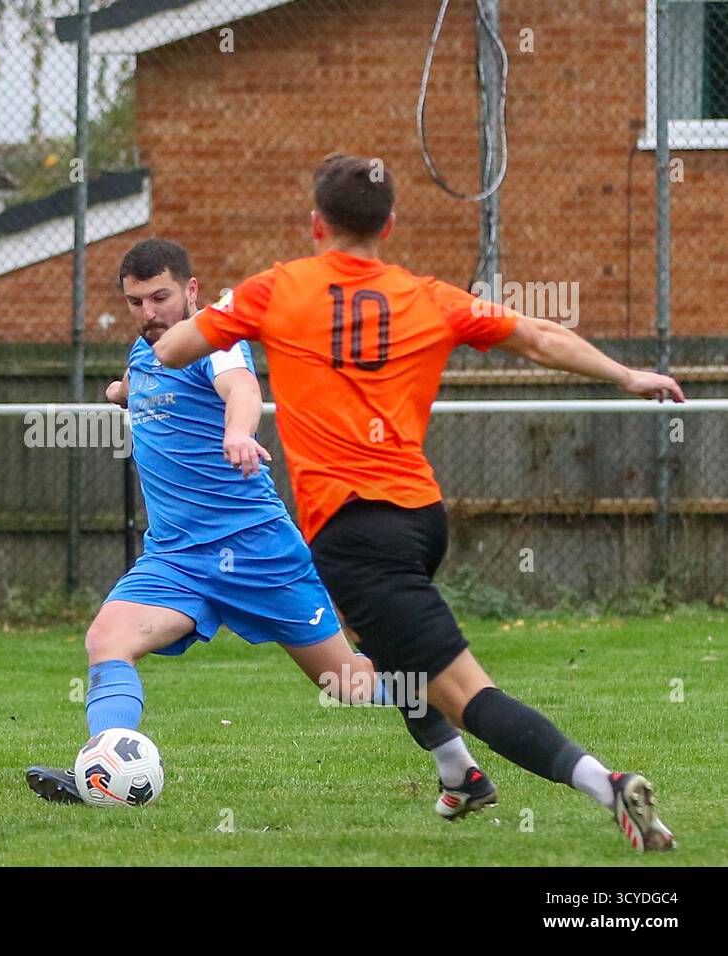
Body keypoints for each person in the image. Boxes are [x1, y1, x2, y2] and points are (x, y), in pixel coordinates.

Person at [154, 153, 680, 851]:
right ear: (390, 224)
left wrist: (227, 311)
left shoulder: (276, 288)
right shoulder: (428, 296)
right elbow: (537, 335)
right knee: (388, 653)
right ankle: (458, 775)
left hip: (356, 528)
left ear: (317, 224)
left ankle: (604, 785)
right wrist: (625, 373)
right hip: (419, 516)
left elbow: (172, 350)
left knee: (466, 693)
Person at [27, 238, 493, 814]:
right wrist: (124, 394)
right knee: (107, 640)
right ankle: (100, 769)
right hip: (175, 559)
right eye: (135, 302)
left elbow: (240, 388)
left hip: (256, 552)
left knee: (347, 685)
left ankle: (452, 699)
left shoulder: (216, 343)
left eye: (161, 297)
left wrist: (238, 432)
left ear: (191, 290)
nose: (149, 313)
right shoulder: (143, 356)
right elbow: (153, 392)